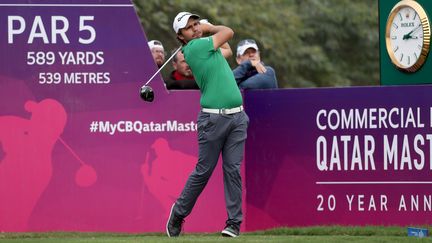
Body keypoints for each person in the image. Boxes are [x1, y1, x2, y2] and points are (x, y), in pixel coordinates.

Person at [166, 12, 249, 238]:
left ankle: (233, 223)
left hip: (237, 118)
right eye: (189, 27)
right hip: (213, 120)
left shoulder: (207, 48)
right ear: (181, 37)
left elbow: (228, 50)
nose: (194, 28)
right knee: (204, 171)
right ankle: (178, 213)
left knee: (233, 170)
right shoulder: (194, 48)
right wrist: (210, 27)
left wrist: (208, 30)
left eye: (196, 24)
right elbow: (228, 32)